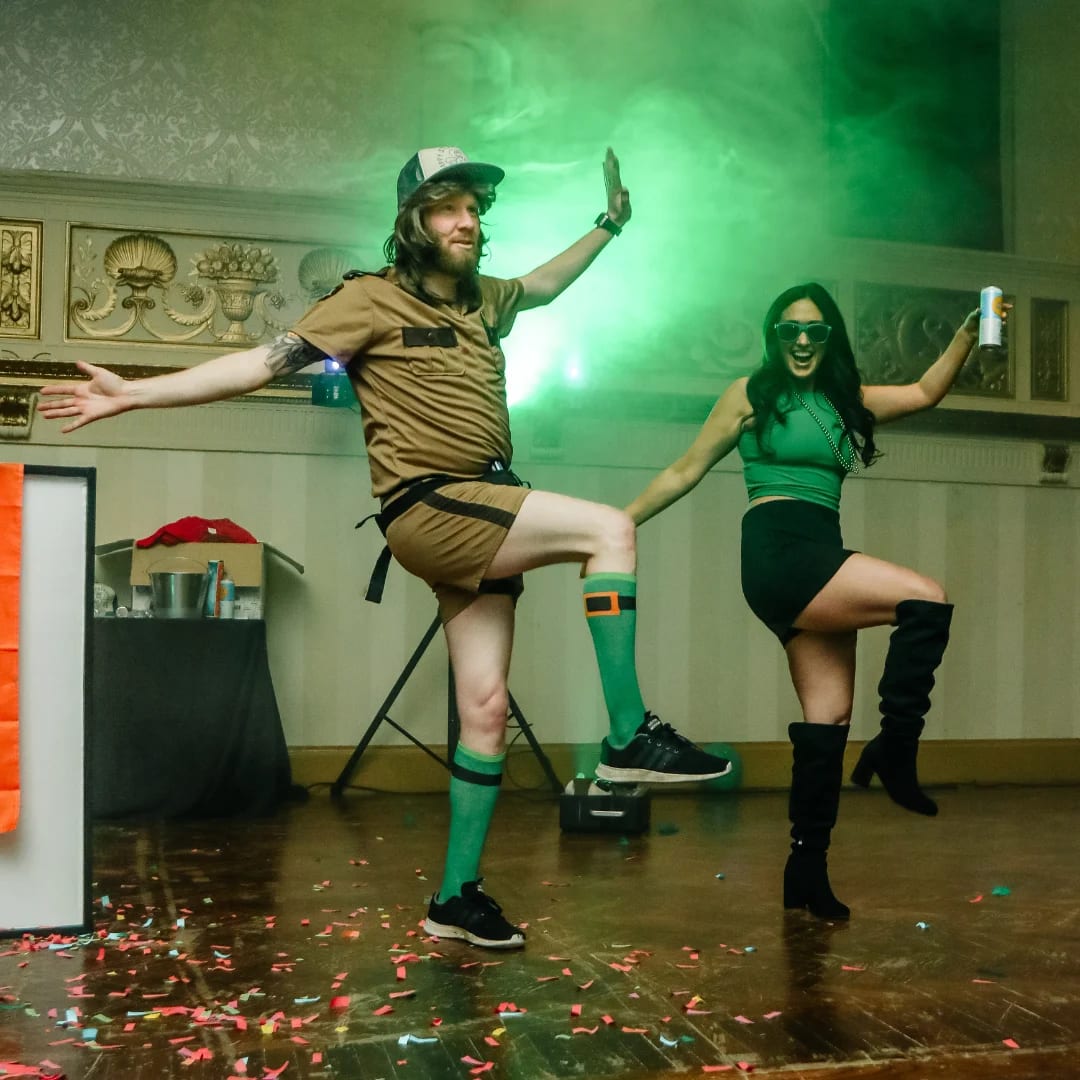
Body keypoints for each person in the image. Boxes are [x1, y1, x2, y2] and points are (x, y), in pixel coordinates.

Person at [38, 145, 731, 949]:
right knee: (609, 529)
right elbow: (259, 365)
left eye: (473, 207)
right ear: (412, 221)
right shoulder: (369, 299)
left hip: (483, 505)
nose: (466, 220)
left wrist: (610, 223)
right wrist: (135, 393)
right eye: (446, 206)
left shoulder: (485, 299)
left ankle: (454, 898)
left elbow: (544, 283)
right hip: (432, 506)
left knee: (484, 711)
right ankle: (627, 737)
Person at [626, 282, 991, 921]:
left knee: (829, 718)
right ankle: (896, 746)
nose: (801, 340)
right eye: (788, 329)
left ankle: (806, 871)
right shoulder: (750, 394)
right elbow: (686, 468)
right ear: (774, 337)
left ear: (829, 339)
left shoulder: (846, 401)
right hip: (779, 551)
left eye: (814, 331)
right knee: (926, 600)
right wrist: (618, 523)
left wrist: (967, 333)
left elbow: (924, 392)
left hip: (821, 551)